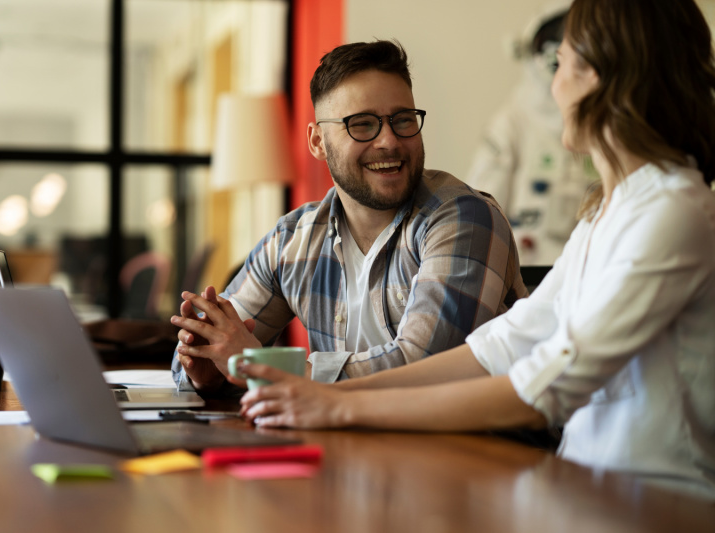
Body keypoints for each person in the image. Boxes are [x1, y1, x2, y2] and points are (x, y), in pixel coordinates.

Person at [238, 0, 715, 499]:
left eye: (563, 66)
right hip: (586, 493)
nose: (553, 88)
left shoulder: (673, 211)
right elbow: (505, 344)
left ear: (608, 78)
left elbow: (545, 387)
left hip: (661, 505)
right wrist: (320, 395)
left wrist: (336, 406)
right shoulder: (609, 213)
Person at [171, 40, 527, 393]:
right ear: (317, 142)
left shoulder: (463, 219)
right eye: (362, 124)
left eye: (402, 120)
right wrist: (204, 367)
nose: (389, 140)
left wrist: (260, 366)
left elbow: (425, 369)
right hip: (350, 438)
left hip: (476, 445)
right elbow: (199, 354)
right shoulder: (293, 240)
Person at [465, 1, 597, 265]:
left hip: (582, 267)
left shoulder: (600, 125)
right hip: (525, 273)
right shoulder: (512, 123)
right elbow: (477, 218)